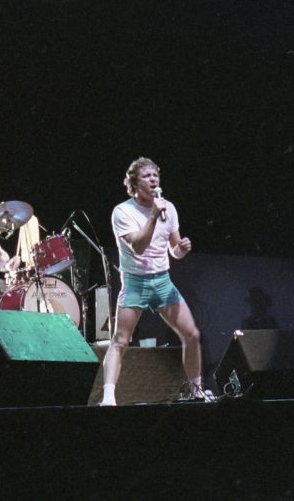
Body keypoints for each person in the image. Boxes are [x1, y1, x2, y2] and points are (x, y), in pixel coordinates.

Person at [99, 157, 207, 406]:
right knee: (120, 341)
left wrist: (183, 248)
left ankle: (197, 391)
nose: (154, 180)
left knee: (191, 334)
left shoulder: (168, 207)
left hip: (162, 281)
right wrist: (153, 217)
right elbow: (138, 246)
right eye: (147, 176)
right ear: (135, 184)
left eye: (156, 176)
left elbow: (174, 251)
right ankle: (108, 398)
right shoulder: (122, 212)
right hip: (135, 282)